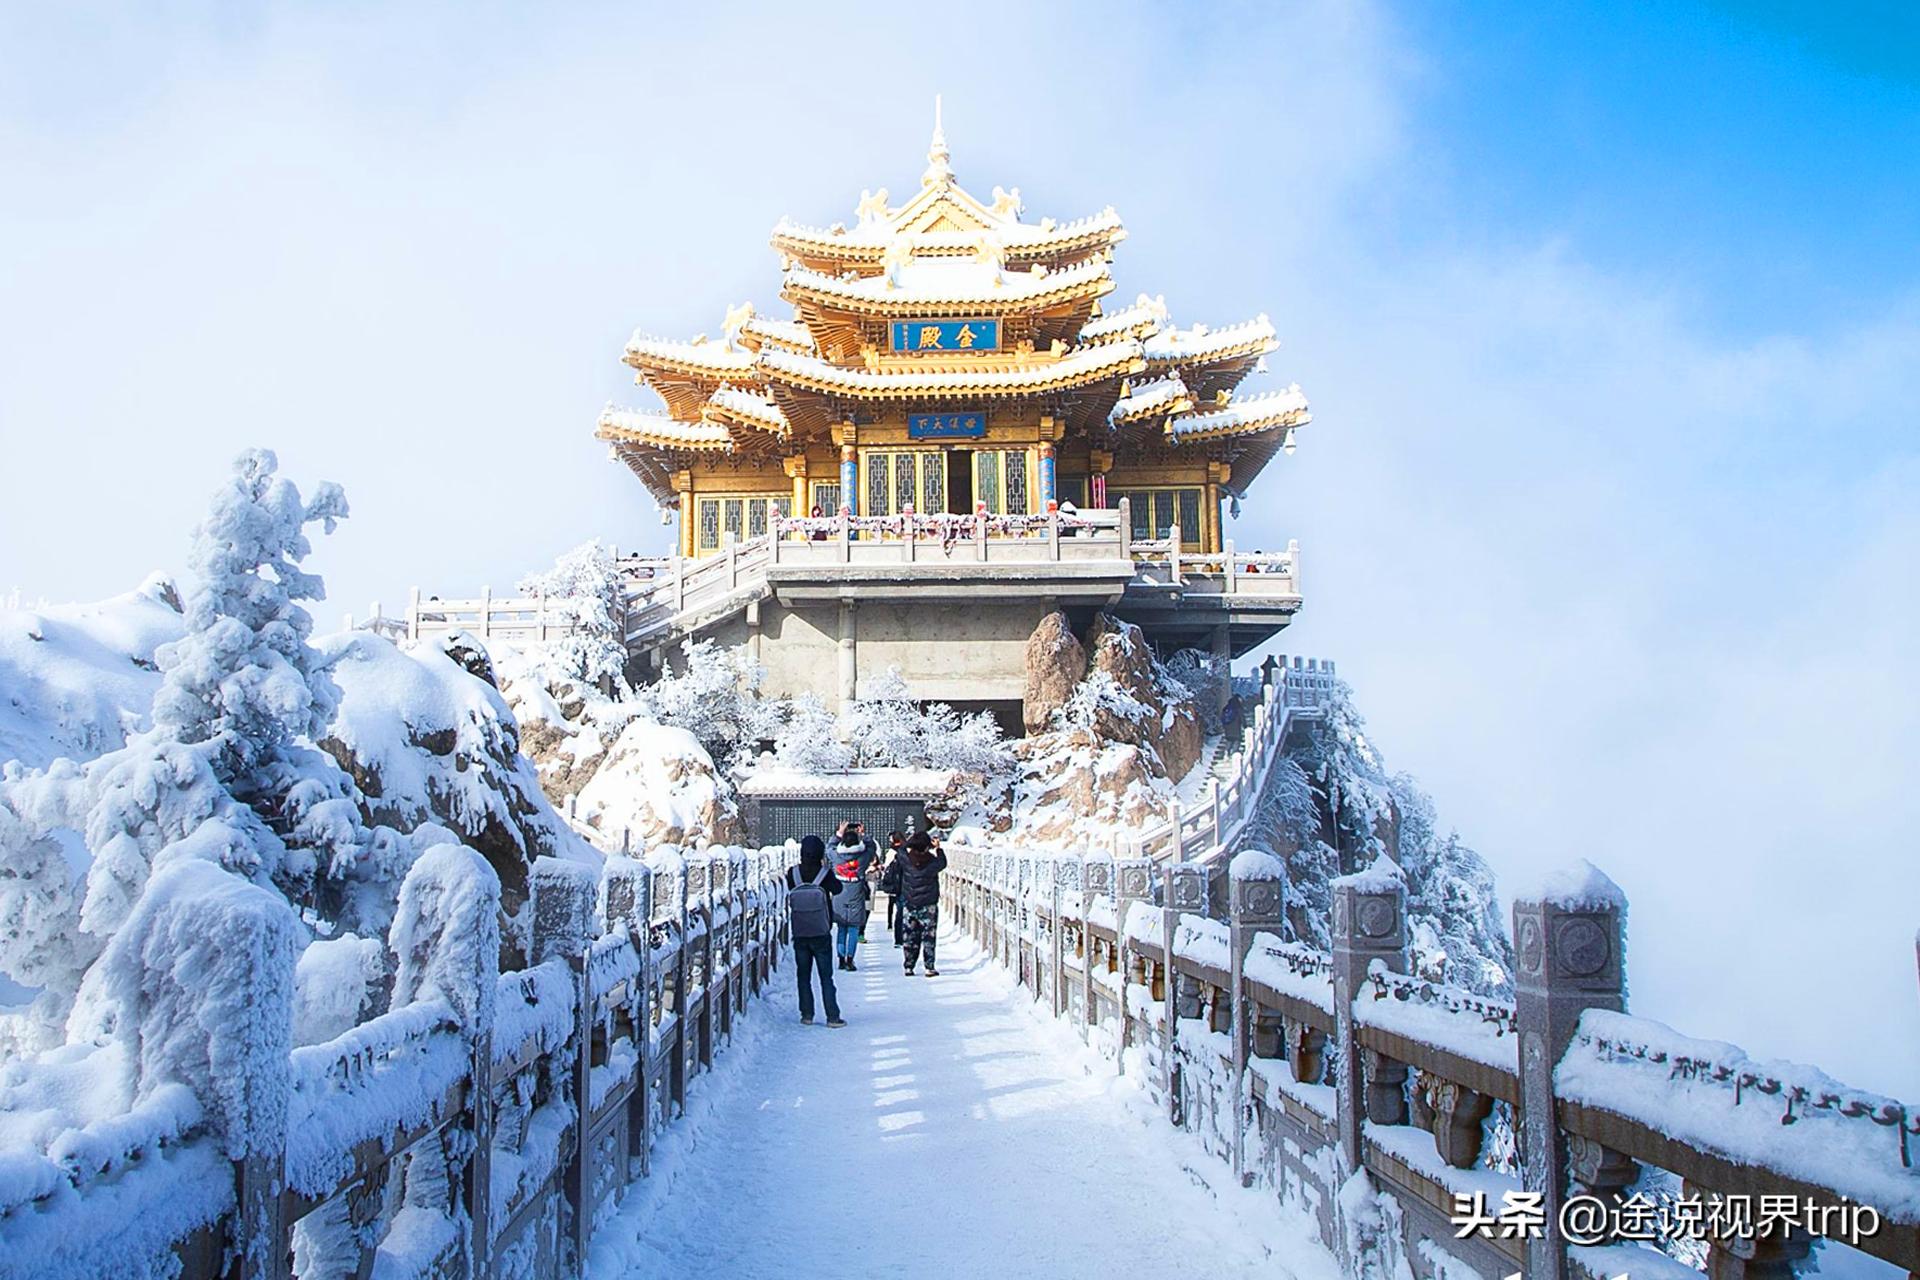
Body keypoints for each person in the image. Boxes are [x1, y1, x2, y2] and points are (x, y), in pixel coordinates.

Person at [786, 835, 845, 1027]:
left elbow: (789, 889)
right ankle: (832, 1016)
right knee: (825, 976)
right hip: (821, 930)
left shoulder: (792, 873)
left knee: (803, 975)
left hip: (800, 931)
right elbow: (837, 889)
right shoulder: (824, 873)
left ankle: (807, 1014)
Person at [892, 831, 949, 976]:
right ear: (927, 847)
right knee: (929, 936)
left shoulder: (906, 859)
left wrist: (909, 842)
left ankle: (909, 966)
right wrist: (938, 849)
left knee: (909, 936)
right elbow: (943, 862)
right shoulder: (932, 862)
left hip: (910, 903)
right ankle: (929, 967)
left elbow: (901, 850)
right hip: (928, 904)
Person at [830, 838, 872, 971]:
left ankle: (841, 959)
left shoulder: (836, 858)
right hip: (856, 897)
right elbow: (871, 849)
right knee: (853, 929)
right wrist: (864, 836)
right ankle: (850, 959)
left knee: (841, 929)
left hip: (839, 898)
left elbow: (829, 847)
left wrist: (838, 835)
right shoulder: (862, 859)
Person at [882, 830, 907, 947]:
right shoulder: (907, 849)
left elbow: (886, 868)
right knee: (904, 912)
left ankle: (899, 939)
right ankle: (905, 936)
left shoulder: (892, 852)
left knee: (899, 911)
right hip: (907, 884)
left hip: (897, 886)